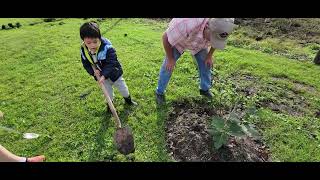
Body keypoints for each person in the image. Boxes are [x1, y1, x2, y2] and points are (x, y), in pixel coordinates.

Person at [155, 18, 236, 104]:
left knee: (206, 64)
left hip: (200, 44)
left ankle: (205, 89)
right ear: (208, 27)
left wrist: (209, 56)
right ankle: (159, 92)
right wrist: (170, 58)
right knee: (168, 65)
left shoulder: (223, 28)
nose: (212, 41)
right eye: (212, 38)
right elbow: (165, 37)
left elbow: (217, 41)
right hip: (180, 41)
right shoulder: (186, 23)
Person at [80, 22, 137, 108]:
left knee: (123, 89)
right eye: (88, 43)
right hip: (103, 79)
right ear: (83, 41)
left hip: (115, 74)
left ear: (99, 38)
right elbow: (86, 64)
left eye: (95, 42)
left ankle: (128, 100)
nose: (92, 45)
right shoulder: (84, 51)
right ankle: (110, 106)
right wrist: (93, 72)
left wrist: (104, 75)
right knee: (108, 94)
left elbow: (111, 63)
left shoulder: (108, 48)